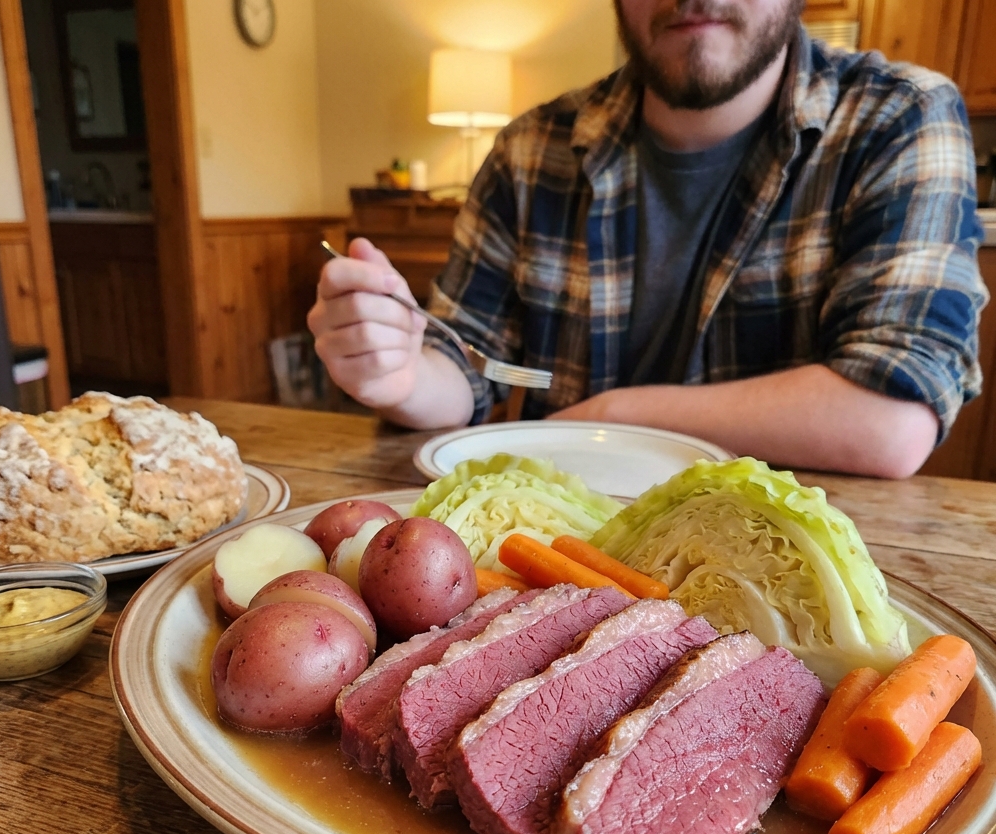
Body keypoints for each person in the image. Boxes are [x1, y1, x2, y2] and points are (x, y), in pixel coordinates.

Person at [307, 0, 988, 479]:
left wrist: (612, 414)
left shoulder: (899, 118)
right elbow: (466, 371)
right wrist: (399, 374)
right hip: (551, 551)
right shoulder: (530, 149)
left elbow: (893, 420)